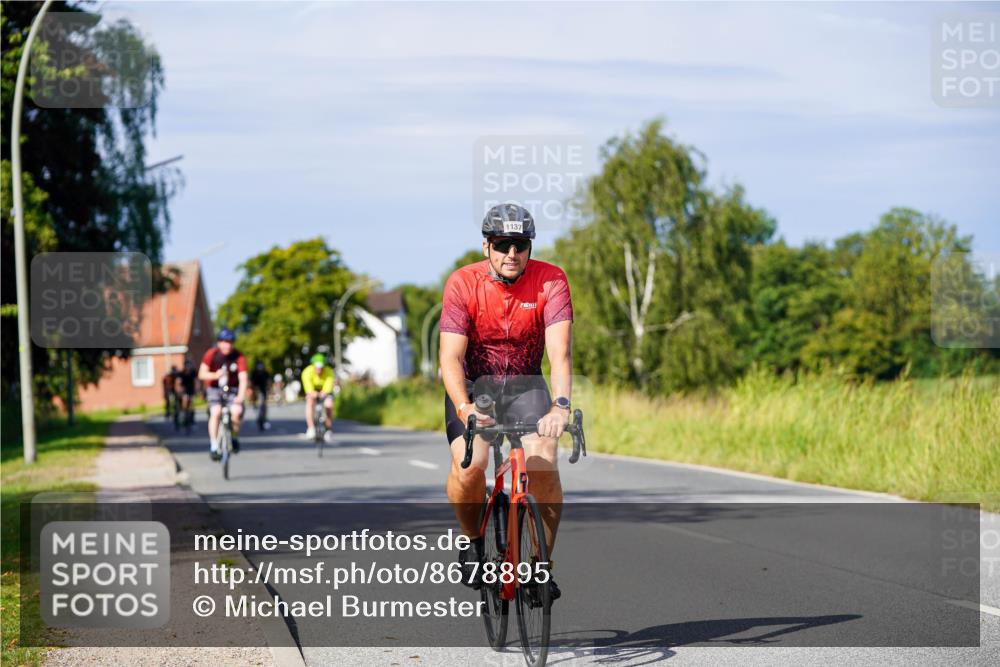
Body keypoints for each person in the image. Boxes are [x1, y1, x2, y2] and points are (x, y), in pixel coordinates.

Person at [440, 203, 573, 601]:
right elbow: (450, 357)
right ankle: (470, 541)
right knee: (472, 466)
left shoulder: (551, 280)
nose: (511, 254)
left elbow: (560, 354)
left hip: (524, 385)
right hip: (474, 388)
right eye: (502, 244)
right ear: (487, 246)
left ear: (529, 246)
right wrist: (465, 408)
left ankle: (540, 568)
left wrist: (561, 406)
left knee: (544, 461)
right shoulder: (463, 283)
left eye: (520, 245)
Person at [198, 328, 248, 460]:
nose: (228, 345)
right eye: (225, 342)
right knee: (216, 412)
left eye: (230, 342)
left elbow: (243, 378)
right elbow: (202, 374)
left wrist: (241, 396)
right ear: (219, 343)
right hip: (214, 389)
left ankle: (234, 437)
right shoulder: (211, 354)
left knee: (236, 411)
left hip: (232, 389)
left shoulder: (238, 356)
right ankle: (214, 445)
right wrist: (215, 375)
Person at [301, 353, 336, 443]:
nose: (319, 369)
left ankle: (328, 429)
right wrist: (312, 393)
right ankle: (311, 428)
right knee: (310, 402)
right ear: (313, 366)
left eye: (321, 367)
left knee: (329, 405)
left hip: (325, 391)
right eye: (317, 367)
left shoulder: (329, 372)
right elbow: (308, 388)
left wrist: (324, 393)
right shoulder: (307, 372)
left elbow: (328, 386)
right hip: (312, 390)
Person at [175, 357, 198, 428]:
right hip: (184, 390)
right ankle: (183, 414)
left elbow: (196, 382)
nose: (188, 367)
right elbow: (178, 383)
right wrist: (178, 391)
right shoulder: (181, 373)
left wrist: (197, 390)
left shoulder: (193, 373)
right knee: (184, 400)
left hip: (191, 390)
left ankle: (191, 418)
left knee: (191, 404)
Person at [250, 361, 271, 430]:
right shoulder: (254, 373)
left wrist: (268, 388)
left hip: (263, 391)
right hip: (255, 391)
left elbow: (268, 381)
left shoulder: (265, 373)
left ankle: (263, 418)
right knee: (257, 405)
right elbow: (251, 382)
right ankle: (258, 414)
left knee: (263, 406)